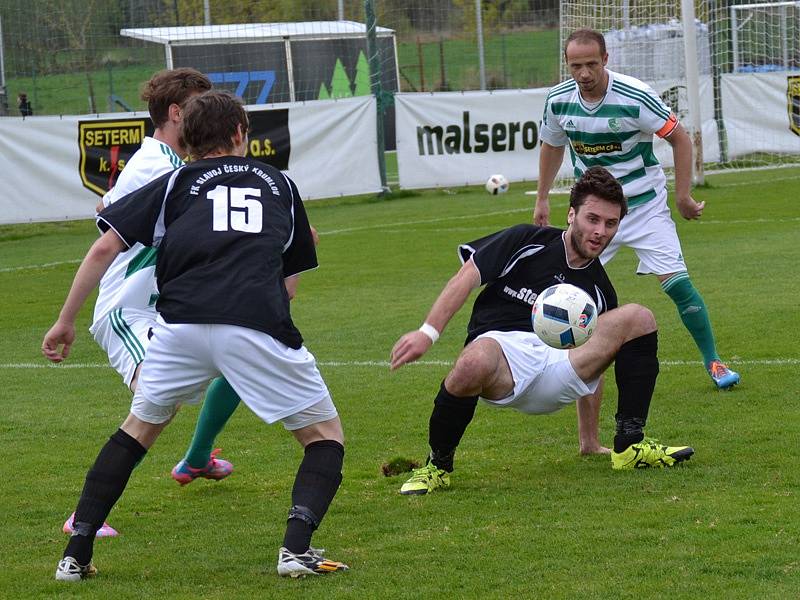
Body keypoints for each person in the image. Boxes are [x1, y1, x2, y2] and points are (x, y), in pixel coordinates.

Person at [43, 90, 348, 580]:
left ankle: (74, 556)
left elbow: (104, 248)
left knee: (138, 430)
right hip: (252, 322)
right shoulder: (281, 184)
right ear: (239, 134)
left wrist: (64, 320)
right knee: (323, 436)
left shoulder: (173, 182)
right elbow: (291, 274)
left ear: (187, 137)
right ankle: (295, 550)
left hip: (178, 327)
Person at [390, 166, 694, 496]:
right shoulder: (526, 241)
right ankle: (438, 465)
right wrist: (427, 333)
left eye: (610, 223)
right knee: (472, 362)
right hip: (503, 357)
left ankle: (629, 446)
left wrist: (589, 441)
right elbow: (466, 277)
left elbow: (597, 364)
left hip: (558, 369)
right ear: (571, 214)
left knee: (638, 317)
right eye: (592, 219)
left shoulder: (598, 290)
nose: (600, 231)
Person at [59, 68, 240, 538]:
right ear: (177, 113)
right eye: (199, 107)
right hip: (127, 309)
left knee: (242, 357)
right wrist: (66, 321)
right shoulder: (158, 166)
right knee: (153, 403)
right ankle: (84, 516)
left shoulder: (162, 163)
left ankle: (197, 459)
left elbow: (106, 210)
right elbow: (107, 236)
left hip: (164, 306)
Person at [535, 28, 739, 391]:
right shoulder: (557, 100)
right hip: (593, 212)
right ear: (567, 64)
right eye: (576, 65)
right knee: (560, 286)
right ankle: (539, 364)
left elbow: (679, 137)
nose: (584, 73)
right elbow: (551, 146)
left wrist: (682, 196)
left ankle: (714, 362)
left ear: (606, 60)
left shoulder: (635, 95)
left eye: (592, 64)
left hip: (643, 205)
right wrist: (542, 197)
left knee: (677, 285)